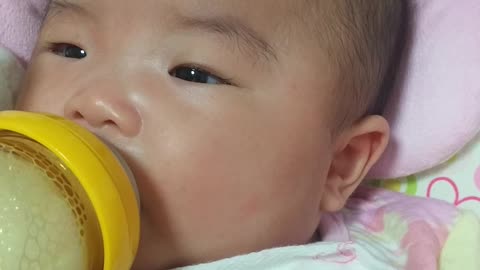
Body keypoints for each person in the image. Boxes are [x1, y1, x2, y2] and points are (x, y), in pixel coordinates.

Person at [14, 0, 479, 269]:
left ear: (340, 164)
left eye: (194, 72)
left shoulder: (424, 243)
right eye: (69, 48)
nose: (94, 99)